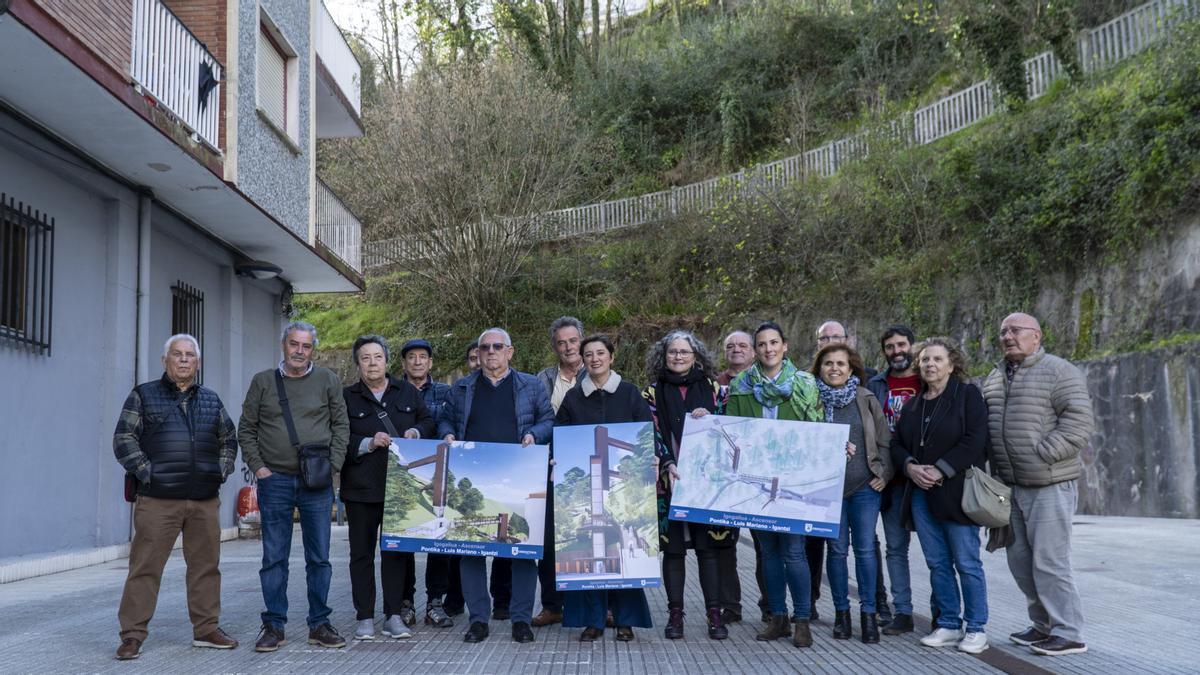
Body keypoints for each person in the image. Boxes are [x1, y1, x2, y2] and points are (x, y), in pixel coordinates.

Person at [111, 334, 240, 660]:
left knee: (206, 567)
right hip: (157, 500)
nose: (184, 360)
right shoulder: (143, 395)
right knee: (145, 568)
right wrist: (147, 472)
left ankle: (207, 628)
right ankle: (132, 635)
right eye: (177, 355)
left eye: (190, 356)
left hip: (203, 501)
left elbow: (229, 438)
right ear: (165, 360)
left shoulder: (211, 400)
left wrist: (220, 471)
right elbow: (124, 438)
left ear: (197, 363)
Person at [982, 313, 1094, 656]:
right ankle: (1043, 625)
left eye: (1016, 330)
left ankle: (1069, 632)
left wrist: (1044, 454)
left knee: (1050, 561)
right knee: (1020, 561)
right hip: (1009, 486)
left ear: (1036, 336)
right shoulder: (994, 377)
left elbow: (1079, 422)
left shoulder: (1060, 371)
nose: (1008, 337)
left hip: (1048, 483)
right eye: (1003, 332)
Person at [438, 328, 555, 644]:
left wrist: (535, 435)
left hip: (519, 474)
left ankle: (520, 619)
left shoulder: (531, 386)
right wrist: (448, 435)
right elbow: (445, 420)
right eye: (485, 347)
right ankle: (478, 619)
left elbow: (548, 420)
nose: (490, 352)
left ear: (510, 351)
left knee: (522, 552)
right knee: (471, 551)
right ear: (478, 352)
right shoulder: (461, 388)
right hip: (473, 476)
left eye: (497, 347)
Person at [239, 321, 350, 652]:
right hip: (275, 480)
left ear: (312, 349)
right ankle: (274, 624)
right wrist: (259, 468)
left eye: (306, 346)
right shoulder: (263, 382)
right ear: (283, 345)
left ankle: (319, 623)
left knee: (319, 558)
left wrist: (333, 466)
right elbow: (247, 427)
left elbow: (341, 423)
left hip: (316, 481)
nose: (300, 351)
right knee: (274, 557)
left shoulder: (328, 380)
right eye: (294, 344)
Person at [724, 322, 821, 649]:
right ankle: (777, 616)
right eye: (762, 344)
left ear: (785, 346)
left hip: (795, 480)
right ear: (755, 349)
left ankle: (802, 619)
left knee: (794, 551)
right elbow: (733, 434)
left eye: (773, 343)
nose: (768, 349)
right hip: (756, 484)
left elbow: (817, 429)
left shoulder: (806, 384)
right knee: (768, 553)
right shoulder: (740, 385)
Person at [891, 337, 990, 655]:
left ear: (951, 364)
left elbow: (976, 440)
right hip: (921, 495)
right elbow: (896, 444)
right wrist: (909, 467)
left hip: (957, 493)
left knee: (967, 562)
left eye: (937, 359)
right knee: (937, 563)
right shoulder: (914, 404)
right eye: (924, 360)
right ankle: (948, 623)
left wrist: (941, 469)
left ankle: (976, 628)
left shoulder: (967, 396)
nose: (930, 365)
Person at [555, 334, 655, 641]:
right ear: (583, 361)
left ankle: (625, 621)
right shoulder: (573, 398)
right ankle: (593, 621)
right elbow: (559, 435)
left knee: (621, 555)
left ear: (611, 357)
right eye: (589, 354)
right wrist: (556, 462)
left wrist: (650, 461)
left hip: (622, 486)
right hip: (588, 485)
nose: (595, 359)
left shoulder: (629, 394)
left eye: (600, 353)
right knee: (590, 558)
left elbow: (646, 433)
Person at [642, 330, 735, 641]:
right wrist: (667, 462)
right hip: (670, 483)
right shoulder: (652, 393)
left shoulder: (716, 390)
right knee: (674, 552)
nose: (678, 356)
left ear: (696, 356)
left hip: (707, 484)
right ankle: (675, 615)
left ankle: (714, 614)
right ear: (663, 355)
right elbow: (651, 433)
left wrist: (710, 418)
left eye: (684, 351)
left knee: (708, 552)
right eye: (672, 352)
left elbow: (731, 429)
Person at [342, 335, 436, 641]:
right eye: (365, 358)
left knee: (395, 554)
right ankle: (364, 617)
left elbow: (428, 421)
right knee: (362, 555)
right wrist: (367, 443)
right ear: (358, 364)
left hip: (400, 489)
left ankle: (394, 615)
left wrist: (415, 431)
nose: (372, 363)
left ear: (387, 361)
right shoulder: (346, 396)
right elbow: (337, 436)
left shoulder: (406, 390)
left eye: (377, 357)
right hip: (360, 488)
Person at [812, 343, 893, 644]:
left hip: (864, 488)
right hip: (827, 489)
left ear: (851, 368)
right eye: (828, 363)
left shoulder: (866, 398)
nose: (834, 368)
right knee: (836, 551)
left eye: (841, 364)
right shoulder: (812, 399)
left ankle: (868, 615)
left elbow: (885, 441)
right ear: (819, 368)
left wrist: (884, 473)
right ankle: (841, 614)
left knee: (864, 550)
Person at [865, 325, 922, 635]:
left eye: (901, 344)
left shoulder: (928, 379)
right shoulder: (877, 384)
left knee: (935, 551)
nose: (897, 351)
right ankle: (903, 611)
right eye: (890, 347)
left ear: (912, 346)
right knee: (895, 548)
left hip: (926, 477)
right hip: (891, 478)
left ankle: (944, 613)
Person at [400, 338, 459, 627]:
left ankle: (436, 602)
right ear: (404, 363)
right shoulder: (394, 392)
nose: (418, 361)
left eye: (423, 356)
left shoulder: (446, 392)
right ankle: (405, 603)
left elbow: (451, 423)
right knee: (402, 541)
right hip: (402, 474)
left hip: (438, 474)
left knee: (439, 541)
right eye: (412, 357)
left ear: (431, 362)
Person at [531, 317, 586, 627]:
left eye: (573, 341)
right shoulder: (543, 378)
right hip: (549, 467)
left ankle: (592, 601)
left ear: (582, 341)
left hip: (587, 466)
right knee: (549, 539)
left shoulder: (597, 371)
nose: (568, 347)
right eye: (561, 343)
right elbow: (538, 417)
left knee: (584, 535)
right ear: (555, 347)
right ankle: (552, 605)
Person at [714, 329, 752, 623]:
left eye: (742, 345)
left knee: (767, 545)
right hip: (727, 472)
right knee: (725, 543)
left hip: (760, 470)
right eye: (731, 345)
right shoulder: (714, 384)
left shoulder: (767, 382)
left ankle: (771, 606)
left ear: (753, 351)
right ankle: (731, 605)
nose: (736, 349)